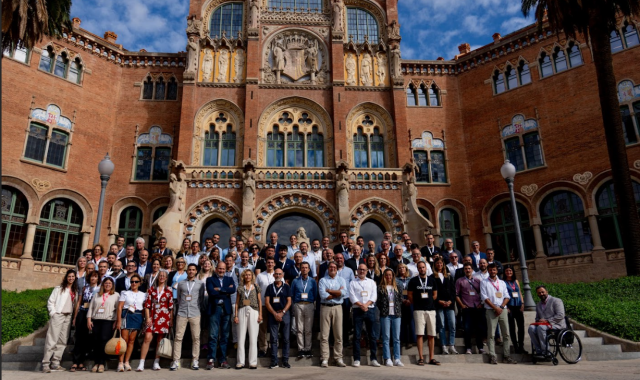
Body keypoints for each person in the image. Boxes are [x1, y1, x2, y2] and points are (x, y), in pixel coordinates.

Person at [42, 270, 78, 373]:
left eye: (73, 276)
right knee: (52, 339)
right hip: (58, 315)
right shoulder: (59, 289)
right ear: (66, 277)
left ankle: (55, 363)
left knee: (62, 341)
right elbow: (51, 301)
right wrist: (53, 313)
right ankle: (46, 363)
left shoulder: (75, 290)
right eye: (69, 276)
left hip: (68, 317)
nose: (71, 278)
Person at [480, 263, 516, 365]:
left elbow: (507, 296)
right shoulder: (484, 282)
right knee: (491, 334)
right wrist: (495, 307)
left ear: (497, 271)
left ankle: (506, 356)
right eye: (490, 270)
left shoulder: (502, 283)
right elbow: (484, 297)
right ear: (488, 271)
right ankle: (492, 356)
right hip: (491, 310)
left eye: (494, 270)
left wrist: (500, 307)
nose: (492, 272)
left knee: (506, 334)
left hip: (502, 310)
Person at [170, 264, 205, 371]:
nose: (191, 271)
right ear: (187, 271)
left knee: (196, 338)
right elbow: (179, 298)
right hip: (182, 312)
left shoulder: (200, 284)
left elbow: (201, 298)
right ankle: (176, 361)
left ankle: (195, 360)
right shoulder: (181, 283)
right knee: (178, 337)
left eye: (193, 270)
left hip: (195, 313)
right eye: (189, 270)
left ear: (196, 272)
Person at [138, 270, 174, 371]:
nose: (162, 277)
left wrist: (171, 320)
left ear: (166, 278)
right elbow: (147, 305)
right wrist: (148, 317)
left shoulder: (169, 290)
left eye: (163, 276)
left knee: (159, 340)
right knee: (147, 337)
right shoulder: (151, 290)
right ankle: (141, 363)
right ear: (158, 277)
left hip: (163, 317)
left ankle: (156, 362)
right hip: (152, 316)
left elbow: (171, 307)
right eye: (160, 276)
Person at [205, 262, 236, 370]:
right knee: (213, 335)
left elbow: (233, 290)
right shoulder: (210, 279)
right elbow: (211, 292)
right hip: (215, 309)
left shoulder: (229, 279)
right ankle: (211, 360)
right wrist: (225, 291)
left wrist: (219, 289)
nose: (221, 270)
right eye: (220, 269)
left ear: (225, 269)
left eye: (223, 269)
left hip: (226, 309)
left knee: (225, 336)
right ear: (216, 269)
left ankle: (223, 360)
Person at [408, 261, 439, 366]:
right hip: (418, 310)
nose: (422, 269)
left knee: (431, 335)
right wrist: (418, 302)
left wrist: (429, 301)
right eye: (420, 268)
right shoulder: (413, 281)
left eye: (423, 267)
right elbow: (410, 295)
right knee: (420, 334)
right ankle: (421, 357)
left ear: (426, 268)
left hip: (431, 310)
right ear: (417, 269)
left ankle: (431, 358)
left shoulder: (432, 280)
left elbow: (435, 295)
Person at [86, 277, 119, 373]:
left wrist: (116, 321)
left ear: (112, 285)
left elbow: (117, 310)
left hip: (108, 321)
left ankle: (102, 363)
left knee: (104, 341)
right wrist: (89, 319)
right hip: (96, 320)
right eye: (106, 283)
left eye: (109, 283)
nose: (107, 285)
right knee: (96, 342)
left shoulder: (116, 295)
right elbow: (91, 307)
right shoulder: (97, 295)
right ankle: (96, 362)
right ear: (103, 285)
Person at [349, 263, 380, 367]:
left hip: (370, 309)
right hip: (358, 310)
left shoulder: (371, 282)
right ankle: (357, 359)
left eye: (364, 270)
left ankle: (373, 359)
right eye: (360, 270)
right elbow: (352, 296)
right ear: (357, 271)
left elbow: (374, 295)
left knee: (372, 335)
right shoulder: (353, 282)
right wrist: (361, 305)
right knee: (357, 335)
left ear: (367, 271)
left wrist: (366, 305)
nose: (362, 271)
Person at [318, 262, 347, 368]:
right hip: (325, 307)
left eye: (334, 267)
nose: (333, 268)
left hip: (338, 308)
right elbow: (323, 295)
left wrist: (330, 291)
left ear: (337, 269)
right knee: (324, 335)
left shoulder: (341, 280)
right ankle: (325, 358)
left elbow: (344, 293)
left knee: (338, 335)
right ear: (328, 268)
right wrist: (337, 293)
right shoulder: (322, 280)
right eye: (331, 267)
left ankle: (338, 358)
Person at [116, 273, 147, 371]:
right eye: (132, 281)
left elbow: (145, 308)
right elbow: (120, 307)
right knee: (124, 339)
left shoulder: (143, 294)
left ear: (139, 283)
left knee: (132, 340)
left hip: (137, 316)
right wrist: (118, 321)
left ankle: (127, 361)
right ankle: (120, 362)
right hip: (127, 315)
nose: (134, 283)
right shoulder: (125, 293)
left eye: (136, 282)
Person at [71, 271, 100, 372]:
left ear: (98, 278)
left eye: (95, 277)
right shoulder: (85, 288)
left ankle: (82, 361)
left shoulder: (99, 289)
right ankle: (75, 361)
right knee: (79, 337)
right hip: (82, 313)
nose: (93, 279)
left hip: (93, 315)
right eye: (91, 277)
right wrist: (75, 316)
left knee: (88, 339)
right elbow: (79, 302)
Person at [234, 269, 262, 369]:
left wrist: (260, 315)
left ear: (252, 276)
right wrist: (236, 315)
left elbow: (259, 301)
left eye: (249, 275)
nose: (248, 277)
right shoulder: (240, 288)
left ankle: (252, 362)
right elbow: (237, 303)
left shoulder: (256, 287)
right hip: (242, 310)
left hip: (254, 311)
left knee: (253, 338)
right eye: (246, 275)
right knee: (241, 337)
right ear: (243, 276)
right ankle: (240, 362)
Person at [455, 263, 486, 355]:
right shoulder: (459, 281)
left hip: (477, 307)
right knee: (467, 328)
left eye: (469, 268)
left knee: (479, 328)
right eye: (466, 269)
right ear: (464, 270)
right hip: (467, 308)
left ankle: (480, 347)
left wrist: (481, 303)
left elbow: (483, 293)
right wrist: (461, 305)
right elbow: (456, 295)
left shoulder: (478, 280)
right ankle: (468, 348)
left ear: (472, 270)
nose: (468, 270)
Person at [265, 268, 292, 368]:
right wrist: (275, 314)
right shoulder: (269, 287)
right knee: (273, 339)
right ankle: (274, 361)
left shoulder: (286, 287)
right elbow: (267, 302)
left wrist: (282, 312)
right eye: (276, 274)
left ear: (283, 275)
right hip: (273, 314)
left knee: (286, 339)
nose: (277, 275)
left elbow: (289, 301)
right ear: (273, 275)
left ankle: (285, 360)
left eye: (279, 274)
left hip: (284, 314)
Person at [528, 285, 566, 357]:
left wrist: (547, 321)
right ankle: (539, 351)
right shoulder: (538, 305)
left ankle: (546, 351)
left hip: (556, 324)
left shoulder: (556, 301)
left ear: (546, 292)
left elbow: (560, 315)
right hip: (544, 325)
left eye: (543, 292)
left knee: (541, 328)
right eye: (539, 293)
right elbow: (537, 318)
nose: (541, 294)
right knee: (531, 328)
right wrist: (538, 321)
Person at [378, 268, 404, 367]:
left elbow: (400, 299)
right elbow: (379, 302)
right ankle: (387, 358)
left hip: (396, 314)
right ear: (384, 276)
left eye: (390, 275)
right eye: (387, 275)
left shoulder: (398, 286)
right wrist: (384, 309)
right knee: (386, 337)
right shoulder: (380, 288)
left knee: (396, 337)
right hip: (385, 315)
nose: (389, 277)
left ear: (393, 276)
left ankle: (397, 358)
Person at [291, 261, 317, 359]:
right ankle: (301, 349)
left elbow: (315, 294)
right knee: (300, 329)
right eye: (303, 267)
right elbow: (292, 294)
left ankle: (308, 348)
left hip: (309, 304)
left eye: (306, 267)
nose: (304, 269)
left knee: (308, 329)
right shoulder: (295, 281)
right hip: (298, 305)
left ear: (309, 269)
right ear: (300, 269)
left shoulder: (312, 281)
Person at [433, 257, 458, 354]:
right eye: (437, 263)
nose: (439, 265)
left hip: (449, 304)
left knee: (452, 324)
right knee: (442, 325)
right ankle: (443, 346)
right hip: (439, 304)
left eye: (441, 263)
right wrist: (439, 301)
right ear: (435, 265)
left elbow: (453, 291)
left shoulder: (449, 276)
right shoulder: (432, 277)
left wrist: (451, 301)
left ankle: (451, 345)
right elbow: (433, 292)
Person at [503, 266, 527, 354]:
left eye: (510, 270)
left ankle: (521, 346)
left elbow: (519, 292)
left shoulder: (516, 281)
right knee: (512, 327)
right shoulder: (503, 282)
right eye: (507, 270)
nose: (509, 272)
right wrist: (506, 307)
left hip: (518, 306)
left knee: (521, 327)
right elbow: (503, 295)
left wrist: (523, 303)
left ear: (513, 272)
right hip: (510, 306)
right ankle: (515, 346)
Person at [256, 256, 275, 357]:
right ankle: (263, 348)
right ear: (266, 264)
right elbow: (256, 290)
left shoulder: (278, 274)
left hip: (274, 306)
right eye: (268, 262)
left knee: (273, 328)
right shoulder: (260, 276)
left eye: (272, 262)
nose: (270, 264)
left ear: (274, 264)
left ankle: (273, 348)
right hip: (262, 305)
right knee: (262, 328)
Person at [334, 252, 355, 347]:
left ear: (344, 259)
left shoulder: (349, 271)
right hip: (334, 299)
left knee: (345, 320)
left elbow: (352, 285)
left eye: (341, 258)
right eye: (337, 258)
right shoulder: (331, 269)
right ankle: (335, 340)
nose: (339, 260)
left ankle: (345, 340)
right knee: (334, 321)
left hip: (345, 299)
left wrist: (351, 298)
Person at [396, 263, 415, 349]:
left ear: (406, 269)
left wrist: (410, 300)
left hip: (410, 301)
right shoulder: (395, 280)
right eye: (400, 268)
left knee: (410, 320)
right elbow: (394, 292)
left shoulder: (411, 279)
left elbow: (414, 291)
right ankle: (403, 340)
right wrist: (402, 300)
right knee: (402, 321)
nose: (401, 269)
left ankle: (411, 340)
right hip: (400, 301)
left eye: (403, 268)